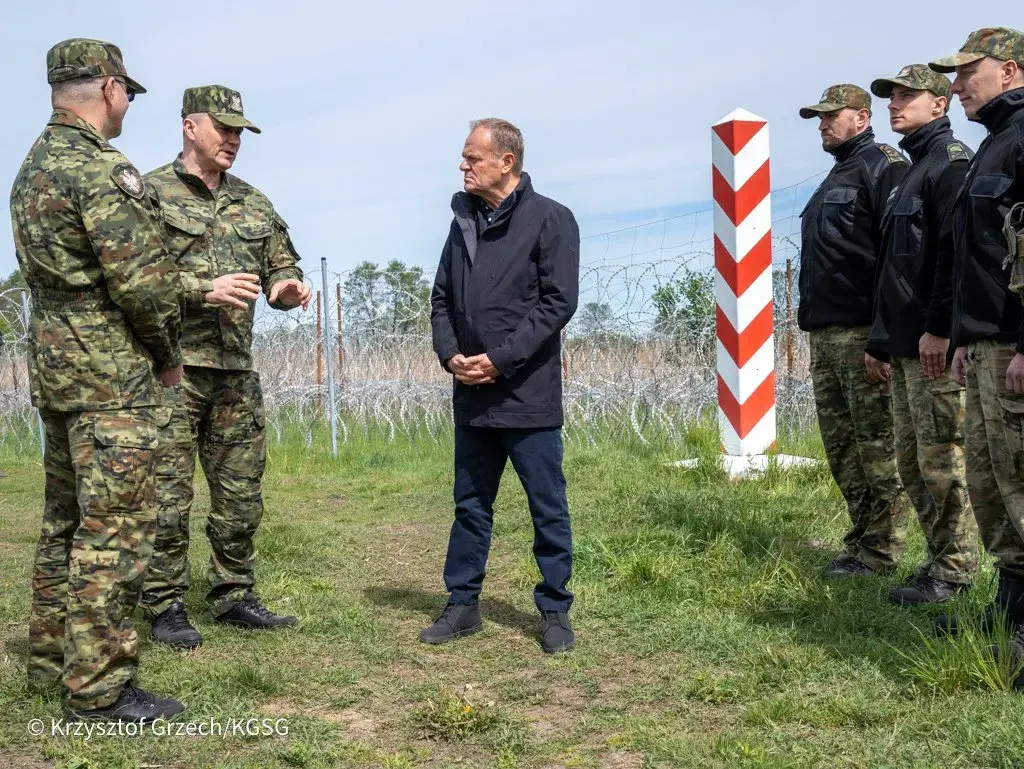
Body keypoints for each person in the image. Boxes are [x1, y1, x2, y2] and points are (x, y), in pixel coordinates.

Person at [12, 38, 184, 721]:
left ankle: (50, 661)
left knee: (64, 524)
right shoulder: (99, 169)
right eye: (129, 94)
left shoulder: (32, 167)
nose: (129, 107)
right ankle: (100, 685)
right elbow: (143, 282)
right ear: (109, 87)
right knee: (114, 532)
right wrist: (168, 349)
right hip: (110, 377)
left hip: (57, 371)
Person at [139, 86, 311, 648]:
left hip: (234, 370)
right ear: (191, 127)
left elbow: (281, 265)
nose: (234, 140)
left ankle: (234, 593)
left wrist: (287, 288)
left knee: (241, 493)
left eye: (241, 132)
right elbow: (133, 278)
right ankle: (163, 604)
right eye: (225, 129)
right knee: (167, 496)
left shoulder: (253, 202)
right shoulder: (147, 193)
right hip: (171, 370)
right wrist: (200, 290)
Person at [424, 118, 580, 654]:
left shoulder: (551, 219)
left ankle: (555, 609)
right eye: (464, 157)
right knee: (470, 504)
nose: (463, 166)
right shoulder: (462, 221)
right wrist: (452, 357)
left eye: (473, 158)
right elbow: (441, 298)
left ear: (506, 162)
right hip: (471, 391)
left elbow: (557, 303)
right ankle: (462, 605)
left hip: (526, 393)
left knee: (546, 505)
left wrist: (500, 360)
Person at [864, 65, 978, 605]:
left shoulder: (950, 166)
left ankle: (957, 574)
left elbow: (954, 257)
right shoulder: (912, 170)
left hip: (933, 346)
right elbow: (896, 268)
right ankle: (938, 563)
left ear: (939, 105)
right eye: (891, 96)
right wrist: (885, 339)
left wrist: (938, 327)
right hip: (908, 346)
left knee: (942, 461)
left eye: (908, 96)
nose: (895, 104)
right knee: (913, 462)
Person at [926, 29, 1024, 655]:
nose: (958, 84)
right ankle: (1010, 616)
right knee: (992, 486)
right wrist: (962, 335)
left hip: (1016, 350)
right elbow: (980, 258)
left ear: (1011, 71)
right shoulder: (994, 146)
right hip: (986, 348)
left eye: (969, 72)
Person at [797, 85, 914, 580]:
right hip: (825, 334)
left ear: (862, 118)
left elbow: (896, 255)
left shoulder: (883, 165)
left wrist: (884, 337)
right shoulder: (837, 173)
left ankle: (883, 551)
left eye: (831, 116)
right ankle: (862, 543)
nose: (822, 124)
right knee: (842, 449)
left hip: (862, 333)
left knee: (876, 447)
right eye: (818, 118)